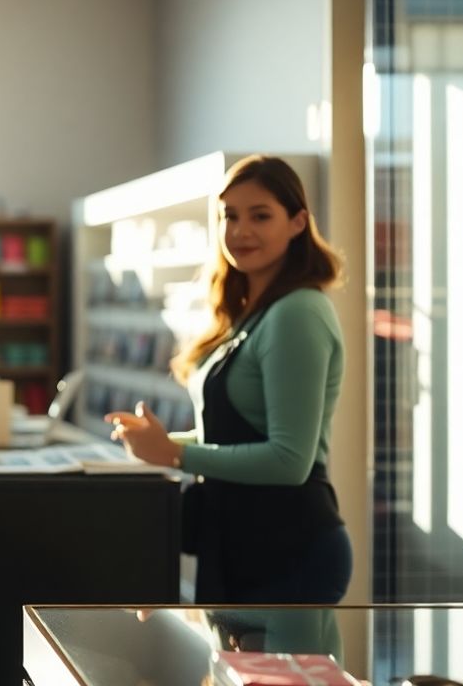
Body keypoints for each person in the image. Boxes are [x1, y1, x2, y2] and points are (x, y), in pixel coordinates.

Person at [106, 155, 350, 604]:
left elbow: (289, 460)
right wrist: (157, 441)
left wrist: (175, 454)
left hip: (289, 549)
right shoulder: (253, 314)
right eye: (229, 216)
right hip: (242, 541)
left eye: (260, 216)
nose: (240, 231)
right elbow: (236, 435)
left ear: (298, 222)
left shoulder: (297, 312)